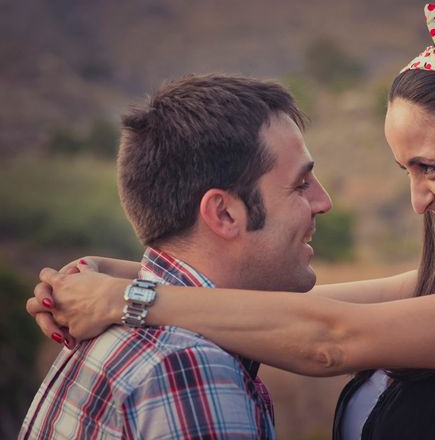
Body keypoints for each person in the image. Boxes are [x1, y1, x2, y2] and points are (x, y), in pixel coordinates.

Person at [28, 4, 435, 439]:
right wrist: (114, 272)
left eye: (428, 166)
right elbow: (268, 302)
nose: (418, 201)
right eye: (405, 170)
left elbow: (329, 339)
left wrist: (126, 300)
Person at [20, 74, 334, 439]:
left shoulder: (121, 324)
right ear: (224, 214)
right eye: (300, 184)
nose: (323, 202)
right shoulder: (188, 368)